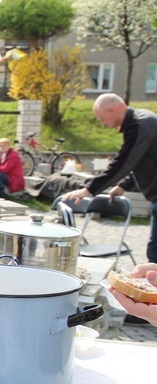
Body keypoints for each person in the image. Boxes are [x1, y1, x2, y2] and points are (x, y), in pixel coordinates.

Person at [62, 93, 157, 263]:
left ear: (112, 110)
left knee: (155, 254)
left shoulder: (139, 123)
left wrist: (89, 189)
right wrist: (123, 185)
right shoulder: (141, 121)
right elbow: (142, 160)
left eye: (101, 119)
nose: (103, 124)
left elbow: (123, 162)